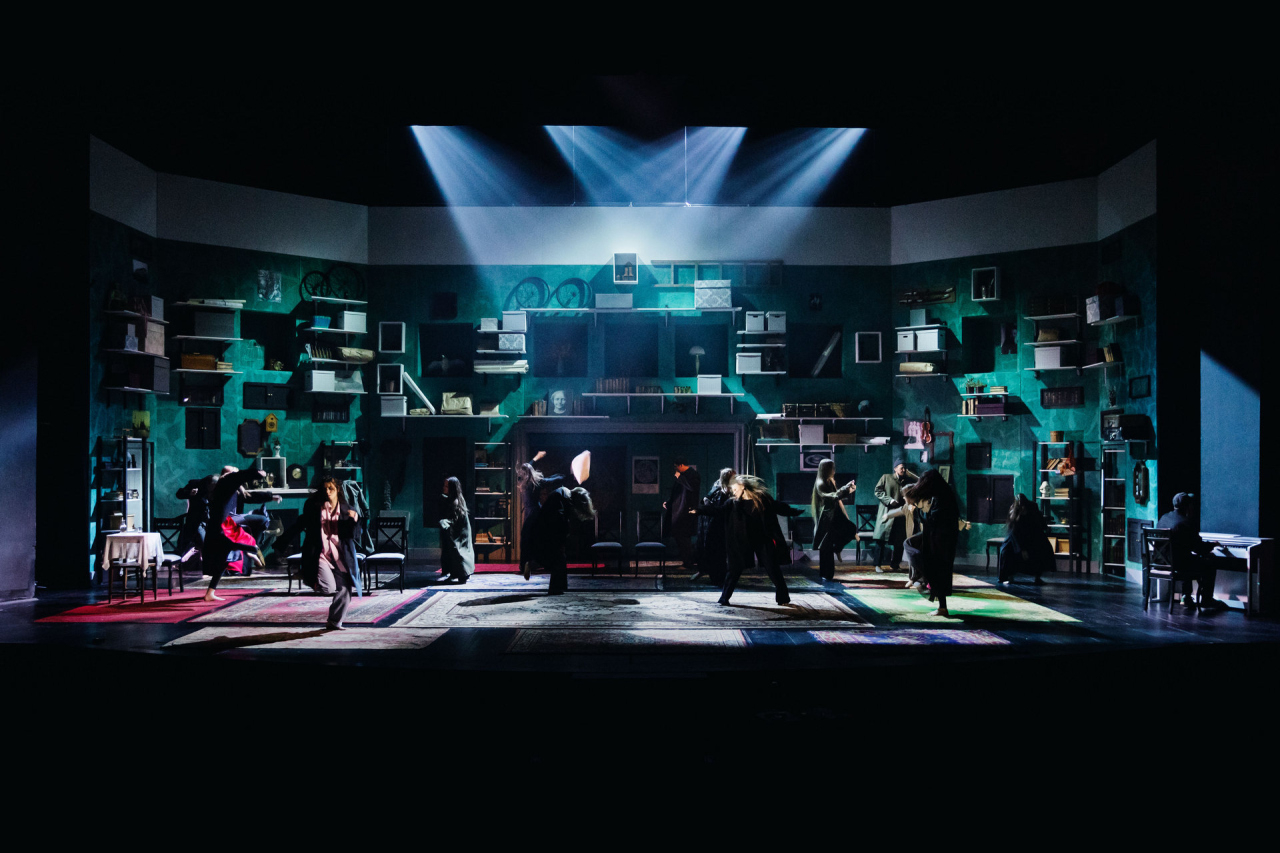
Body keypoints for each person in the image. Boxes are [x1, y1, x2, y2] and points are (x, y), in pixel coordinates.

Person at [719, 475, 805, 606]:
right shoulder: (733, 503)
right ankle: (724, 598)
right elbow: (719, 511)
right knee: (734, 569)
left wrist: (794, 511)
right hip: (743, 541)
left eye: (735, 489)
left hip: (762, 539)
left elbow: (778, 506)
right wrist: (699, 510)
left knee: (772, 568)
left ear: (743, 486)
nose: (733, 492)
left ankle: (783, 598)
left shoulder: (762, 499)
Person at [200, 465, 279, 602]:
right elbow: (238, 476)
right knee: (232, 549)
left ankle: (210, 593)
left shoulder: (232, 488)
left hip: (224, 526)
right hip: (222, 528)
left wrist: (270, 496)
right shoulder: (225, 484)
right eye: (234, 472)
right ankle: (250, 549)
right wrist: (257, 473)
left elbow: (249, 495)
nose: (236, 473)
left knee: (223, 559)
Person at [299, 475, 365, 630]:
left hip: (339, 554)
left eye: (331, 489)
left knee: (345, 589)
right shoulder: (313, 506)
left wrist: (354, 519)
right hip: (320, 553)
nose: (328, 492)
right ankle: (310, 577)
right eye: (325, 489)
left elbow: (354, 535)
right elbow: (302, 524)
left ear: (337, 490)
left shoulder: (347, 508)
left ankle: (334, 621)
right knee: (328, 588)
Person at [1157, 492, 1228, 610]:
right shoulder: (1185, 523)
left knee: (1186, 557)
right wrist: (1213, 544)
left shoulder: (1164, 518)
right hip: (1177, 565)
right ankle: (1206, 599)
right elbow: (1199, 549)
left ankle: (1186, 596)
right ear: (1188, 506)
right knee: (1209, 562)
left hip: (1161, 563)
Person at [910, 469, 959, 617]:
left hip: (940, 542)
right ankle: (941, 606)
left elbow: (933, 519)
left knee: (938, 571)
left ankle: (942, 606)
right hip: (944, 540)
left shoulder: (940, 498)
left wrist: (919, 511)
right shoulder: (945, 494)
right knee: (940, 572)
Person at [810, 460, 857, 581]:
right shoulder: (820, 483)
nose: (834, 470)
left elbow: (835, 495)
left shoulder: (829, 481)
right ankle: (826, 574)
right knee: (826, 547)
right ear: (826, 469)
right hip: (827, 519)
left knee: (850, 529)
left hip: (834, 516)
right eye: (832, 468)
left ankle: (835, 553)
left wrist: (846, 488)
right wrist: (846, 489)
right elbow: (832, 496)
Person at [873, 458, 918, 573]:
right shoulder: (886, 477)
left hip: (900, 515)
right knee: (881, 539)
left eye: (904, 468)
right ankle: (877, 564)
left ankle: (895, 564)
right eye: (901, 467)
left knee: (899, 541)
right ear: (895, 468)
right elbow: (877, 491)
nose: (903, 470)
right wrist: (889, 500)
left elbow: (918, 485)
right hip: (887, 513)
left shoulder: (907, 481)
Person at [694, 468, 736, 586]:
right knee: (717, 551)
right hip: (717, 523)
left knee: (718, 551)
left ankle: (718, 576)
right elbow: (717, 508)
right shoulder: (721, 490)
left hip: (716, 523)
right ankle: (718, 577)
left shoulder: (718, 488)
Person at [999, 494, 1054, 584]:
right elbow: (1013, 531)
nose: (1022, 508)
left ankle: (1037, 577)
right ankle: (1008, 576)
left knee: (1042, 548)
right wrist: (1021, 549)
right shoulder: (1014, 510)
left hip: (1032, 535)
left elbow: (1039, 524)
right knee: (1006, 550)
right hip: (1017, 535)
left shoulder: (1033, 508)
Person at [663, 457, 702, 569]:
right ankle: (686, 561)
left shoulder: (693, 475)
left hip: (685, 512)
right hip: (679, 511)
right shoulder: (683, 476)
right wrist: (669, 503)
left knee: (684, 537)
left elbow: (691, 488)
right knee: (680, 537)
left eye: (676, 466)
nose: (675, 469)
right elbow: (677, 493)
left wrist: (680, 478)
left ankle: (688, 563)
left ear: (681, 465)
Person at [516, 451, 548, 580]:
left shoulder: (523, 481)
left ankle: (527, 563)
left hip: (531, 513)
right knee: (533, 537)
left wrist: (535, 459)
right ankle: (530, 563)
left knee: (528, 538)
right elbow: (527, 468)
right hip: (535, 512)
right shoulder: (535, 482)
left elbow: (526, 468)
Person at [437, 476, 474, 583]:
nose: (444, 488)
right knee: (454, 550)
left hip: (460, 532)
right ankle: (458, 573)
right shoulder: (455, 498)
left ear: (452, 488)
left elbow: (454, 519)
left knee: (458, 551)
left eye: (446, 486)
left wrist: (444, 522)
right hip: (458, 530)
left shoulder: (456, 501)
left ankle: (462, 573)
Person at [900, 484, 927, 588]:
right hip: (920, 532)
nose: (903, 498)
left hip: (929, 533)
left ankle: (921, 576)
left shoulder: (922, 504)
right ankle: (914, 577)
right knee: (912, 548)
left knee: (910, 545)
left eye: (905, 496)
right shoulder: (911, 506)